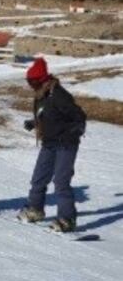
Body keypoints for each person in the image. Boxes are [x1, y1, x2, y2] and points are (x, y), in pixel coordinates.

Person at [18, 57, 86, 232]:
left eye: (32, 82)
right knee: (38, 178)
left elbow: (79, 117)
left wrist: (73, 132)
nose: (30, 85)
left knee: (61, 182)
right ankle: (36, 210)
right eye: (29, 82)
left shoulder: (60, 95)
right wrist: (34, 123)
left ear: (41, 80)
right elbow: (46, 114)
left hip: (65, 144)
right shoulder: (42, 94)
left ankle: (67, 219)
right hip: (49, 143)